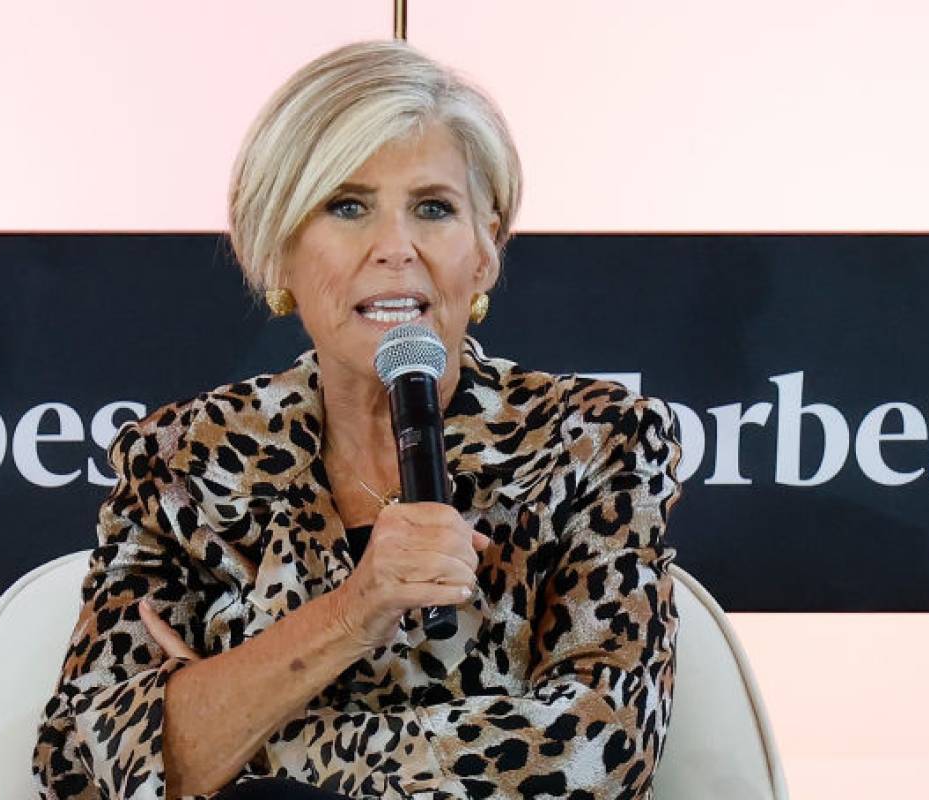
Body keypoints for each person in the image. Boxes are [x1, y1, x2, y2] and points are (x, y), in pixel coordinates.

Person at [34, 40, 683, 800]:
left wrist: (243, 749)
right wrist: (354, 610)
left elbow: (597, 753)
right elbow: (81, 765)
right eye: (348, 206)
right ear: (279, 246)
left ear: (485, 252)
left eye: (434, 208)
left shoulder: (593, 441)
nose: (396, 249)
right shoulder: (181, 460)